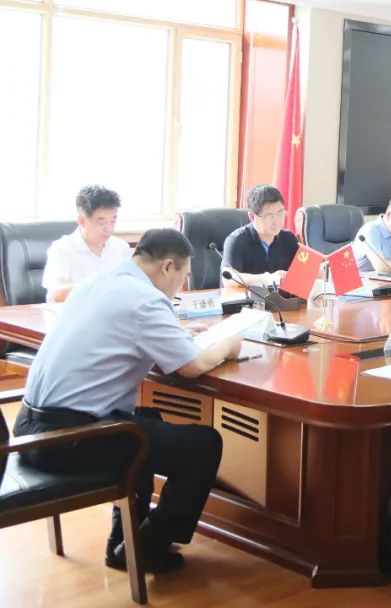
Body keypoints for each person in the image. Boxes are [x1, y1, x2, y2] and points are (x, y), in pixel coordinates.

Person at [14, 228, 243, 573]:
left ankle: (126, 542)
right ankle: (150, 546)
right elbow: (192, 366)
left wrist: (175, 336)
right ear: (167, 267)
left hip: (29, 431)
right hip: (67, 441)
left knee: (144, 420)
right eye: (182, 277)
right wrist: (229, 344)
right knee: (203, 444)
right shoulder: (145, 300)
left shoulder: (95, 283)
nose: (180, 286)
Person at [42, 185, 131, 303]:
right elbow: (57, 294)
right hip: (74, 312)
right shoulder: (62, 249)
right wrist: (97, 286)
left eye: (113, 221)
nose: (109, 229)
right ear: (82, 221)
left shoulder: (121, 247)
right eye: (102, 222)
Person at [221, 185, 300, 285]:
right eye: (269, 216)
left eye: (280, 213)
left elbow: (302, 272)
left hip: (279, 295)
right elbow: (228, 279)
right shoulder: (236, 241)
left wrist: (314, 270)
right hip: (246, 295)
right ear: (252, 217)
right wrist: (268, 278)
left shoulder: (289, 239)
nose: (276, 221)